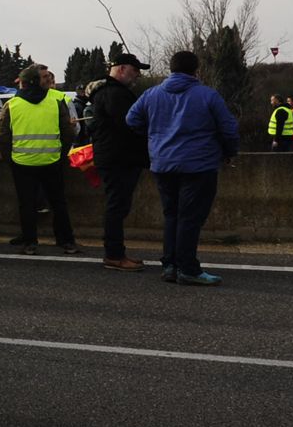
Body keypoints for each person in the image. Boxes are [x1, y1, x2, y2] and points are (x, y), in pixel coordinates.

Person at [125, 50, 239, 286]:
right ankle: (187, 268)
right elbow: (229, 128)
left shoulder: (151, 94)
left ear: (171, 68)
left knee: (172, 214)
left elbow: (131, 119)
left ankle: (170, 265)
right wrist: (228, 152)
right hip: (199, 164)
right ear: (196, 70)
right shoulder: (208, 95)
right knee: (191, 217)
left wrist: (155, 136)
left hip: (163, 163)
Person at [0, 64, 78, 255]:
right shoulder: (56, 102)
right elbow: (68, 133)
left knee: (27, 203)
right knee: (58, 202)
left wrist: (11, 158)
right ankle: (66, 240)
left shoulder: (12, 104)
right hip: (51, 160)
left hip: (22, 162)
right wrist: (60, 153)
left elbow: (2, 136)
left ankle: (30, 242)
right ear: (37, 81)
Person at [88, 52, 152, 271]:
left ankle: (116, 252)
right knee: (117, 206)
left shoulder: (110, 92)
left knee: (118, 205)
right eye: (135, 71)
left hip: (116, 156)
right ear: (122, 69)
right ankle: (114, 254)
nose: (137, 76)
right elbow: (129, 124)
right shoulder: (115, 94)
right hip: (119, 158)